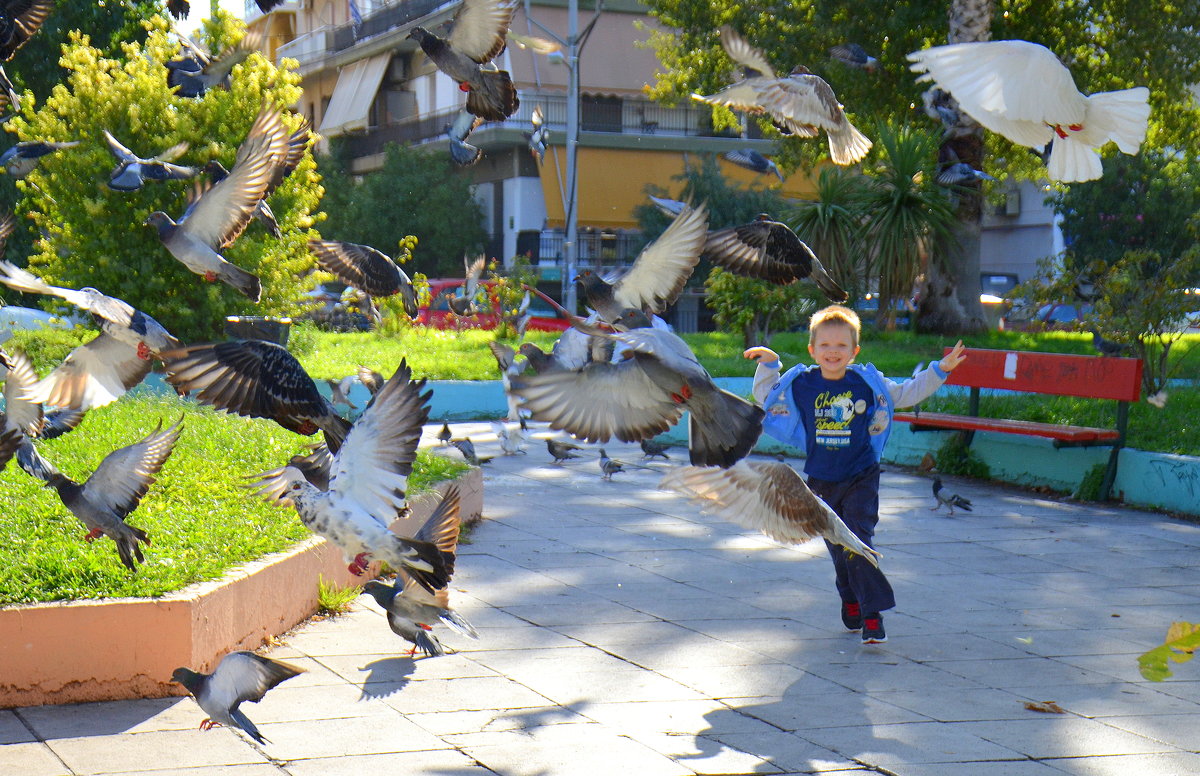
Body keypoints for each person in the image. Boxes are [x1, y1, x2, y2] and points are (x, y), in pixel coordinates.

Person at [744, 305, 966, 644]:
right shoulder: (803, 384)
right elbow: (768, 397)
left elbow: (905, 393)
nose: (833, 352)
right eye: (825, 346)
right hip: (820, 480)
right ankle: (850, 596)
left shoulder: (866, 382)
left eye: (842, 346)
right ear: (812, 350)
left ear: (854, 351)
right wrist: (770, 364)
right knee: (838, 546)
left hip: (862, 475)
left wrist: (941, 370)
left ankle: (872, 615)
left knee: (859, 541)